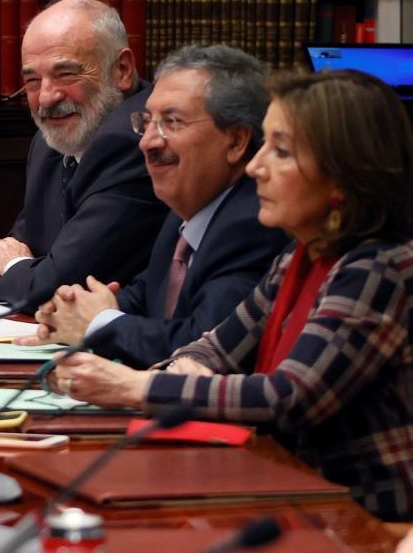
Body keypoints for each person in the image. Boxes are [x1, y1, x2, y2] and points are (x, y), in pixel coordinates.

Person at [55, 70, 413, 521]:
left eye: (280, 151)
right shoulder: (298, 258)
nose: (255, 166)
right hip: (288, 497)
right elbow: (214, 345)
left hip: (368, 528)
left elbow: (288, 397)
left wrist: (135, 385)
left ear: (342, 178)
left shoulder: (379, 268)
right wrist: (185, 368)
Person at [17, 45, 288, 367]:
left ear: (236, 141)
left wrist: (98, 323)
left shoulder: (253, 223)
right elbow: (146, 296)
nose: (147, 141)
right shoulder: (185, 213)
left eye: (171, 122)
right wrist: (72, 311)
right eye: (147, 122)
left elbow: (197, 346)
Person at [0, 0, 164, 307]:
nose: (47, 98)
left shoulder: (135, 138)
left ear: (122, 70)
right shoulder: (52, 140)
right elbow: (24, 249)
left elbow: (61, 283)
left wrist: (7, 266)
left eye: (66, 74)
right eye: (33, 81)